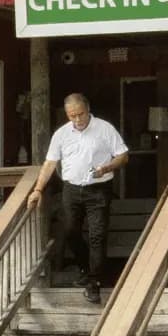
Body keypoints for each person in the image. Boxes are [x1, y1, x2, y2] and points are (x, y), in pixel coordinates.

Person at [41, 90, 128, 303]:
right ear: (67, 114)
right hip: (71, 188)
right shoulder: (61, 134)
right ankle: (85, 268)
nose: (78, 119)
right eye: (73, 115)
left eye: (81, 114)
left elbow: (123, 156)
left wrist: (107, 167)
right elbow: (50, 163)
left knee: (97, 235)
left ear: (88, 109)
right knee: (70, 230)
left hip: (99, 188)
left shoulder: (104, 128)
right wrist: (37, 189)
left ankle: (94, 283)